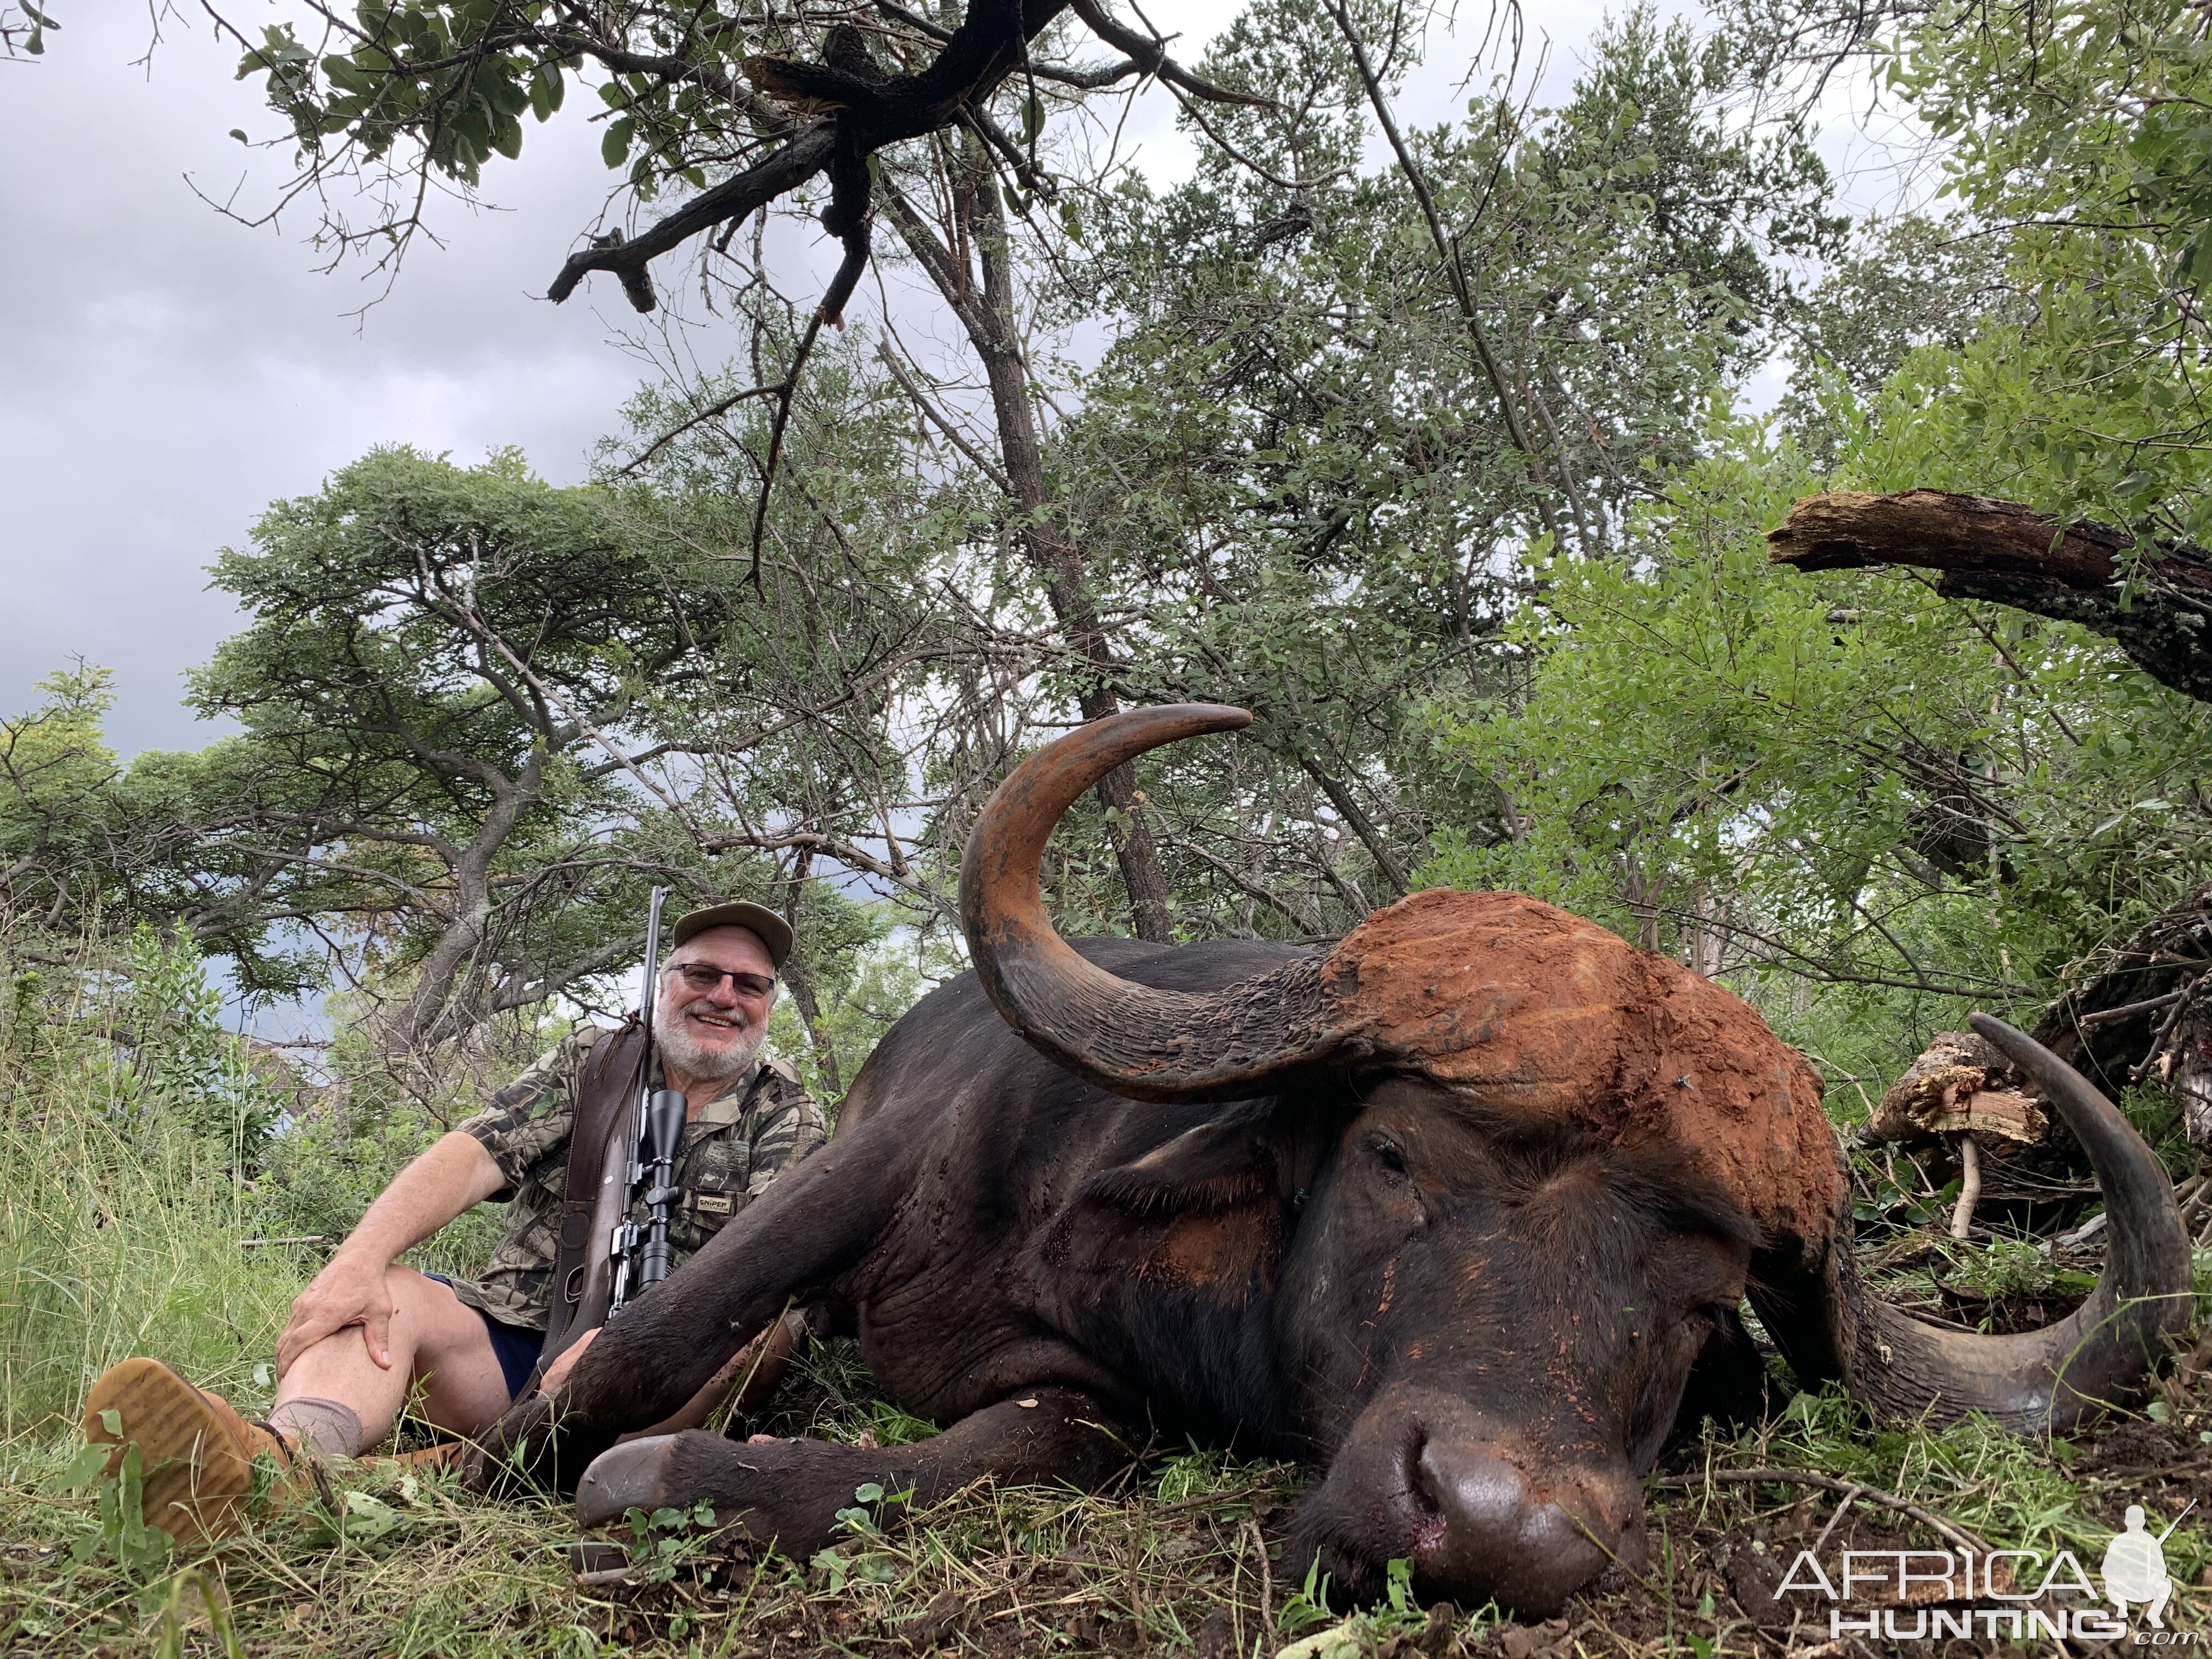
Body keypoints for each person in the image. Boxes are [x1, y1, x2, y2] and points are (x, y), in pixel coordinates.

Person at [82, 901, 826, 1544]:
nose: (724, 997)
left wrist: (628, 1351)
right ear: (667, 984)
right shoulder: (597, 1062)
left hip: (666, 1373)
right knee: (384, 1295)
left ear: (767, 1004)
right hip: (514, 1340)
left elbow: (765, 1266)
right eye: (703, 975)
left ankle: (454, 1469)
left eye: (749, 985)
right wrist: (355, 1261)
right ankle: (281, 1464)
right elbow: (475, 1153)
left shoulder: (785, 1113)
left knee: (761, 1338)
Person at [2101, 1504, 2173, 1628]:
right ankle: (2122, 1607)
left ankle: (2154, 1614)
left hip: (2145, 1586)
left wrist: (2150, 1573)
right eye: (2132, 1520)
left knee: (2166, 1584)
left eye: (2137, 1521)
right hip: (2123, 1586)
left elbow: (2162, 1569)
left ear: (2143, 1522)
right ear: (2126, 1522)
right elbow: (2106, 1569)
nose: (2135, 1524)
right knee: (2110, 1584)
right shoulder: (2119, 1541)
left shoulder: (2150, 1541)